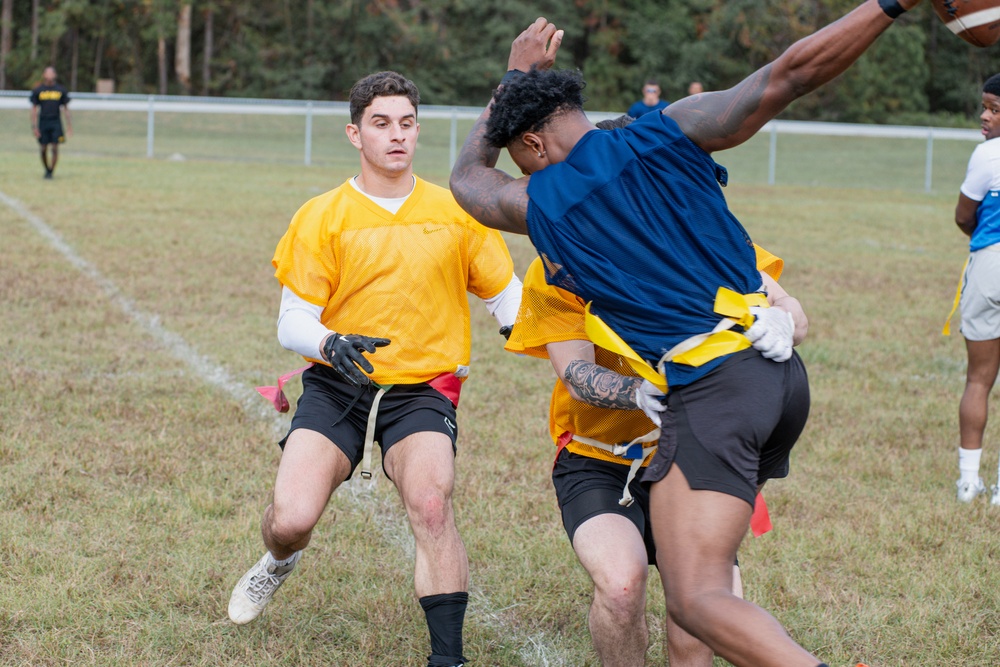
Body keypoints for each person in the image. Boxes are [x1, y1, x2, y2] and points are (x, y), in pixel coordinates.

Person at [449, 3, 920, 665]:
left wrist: (510, 78)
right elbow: (789, 74)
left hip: (713, 390)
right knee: (700, 584)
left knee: (695, 599)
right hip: (777, 377)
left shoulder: (546, 200)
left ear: (529, 147)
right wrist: (890, 5)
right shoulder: (668, 128)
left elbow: (467, 179)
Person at [227, 70, 522, 667]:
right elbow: (292, 321)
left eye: (407, 124)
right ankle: (279, 561)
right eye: (381, 124)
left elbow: (506, 296)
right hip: (340, 383)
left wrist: (535, 330)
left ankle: (449, 659)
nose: (396, 136)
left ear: (418, 131)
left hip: (423, 389)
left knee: (432, 504)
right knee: (290, 518)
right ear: (354, 133)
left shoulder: (456, 210)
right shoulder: (322, 216)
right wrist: (330, 341)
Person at [506, 230, 801, 666]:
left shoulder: (699, 233)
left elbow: (790, 306)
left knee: (701, 612)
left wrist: (784, 320)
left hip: (692, 456)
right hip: (600, 457)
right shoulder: (557, 264)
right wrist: (637, 391)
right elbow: (576, 372)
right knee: (621, 586)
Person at [953, 72, 1000, 505]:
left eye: (994, 108)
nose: (984, 116)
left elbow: (963, 215)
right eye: (984, 106)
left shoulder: (987, 155)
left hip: (989, 265)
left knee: (978, 380)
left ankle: (969, 483)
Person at [29, 66, 72, 180]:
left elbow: (66, 109)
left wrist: (69, 126)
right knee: (43, 149)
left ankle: (51, 171)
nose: (49, 75)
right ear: (44, 75)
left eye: (51, 73)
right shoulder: (38, 90)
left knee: (55, 148)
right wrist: (34, 127)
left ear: (55, 75)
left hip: (56, 122)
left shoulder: (60, 90)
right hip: (43, 122)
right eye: (47, 73)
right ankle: (46, 169)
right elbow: (34, 109)